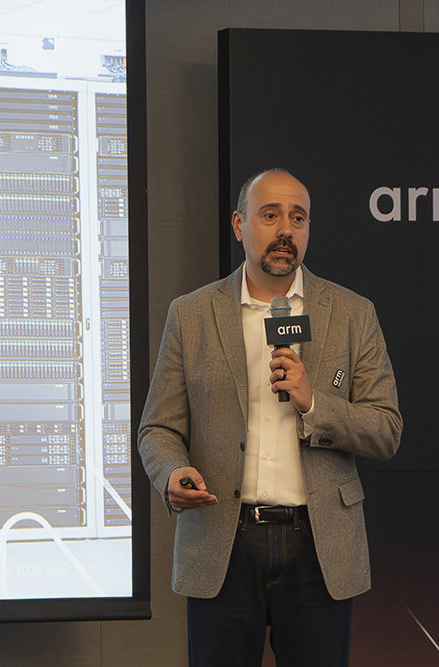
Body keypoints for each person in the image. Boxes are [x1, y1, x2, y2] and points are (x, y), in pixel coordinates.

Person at [138, 168, 401, 666]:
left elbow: (386, 429)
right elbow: (158, 428)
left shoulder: (352, 313)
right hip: (223, 539)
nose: (285, 229)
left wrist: (314, 403)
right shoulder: (191, 315)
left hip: (318, 547)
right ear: (239, 225)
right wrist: (171, 472)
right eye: (270, 215)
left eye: (298, 218)